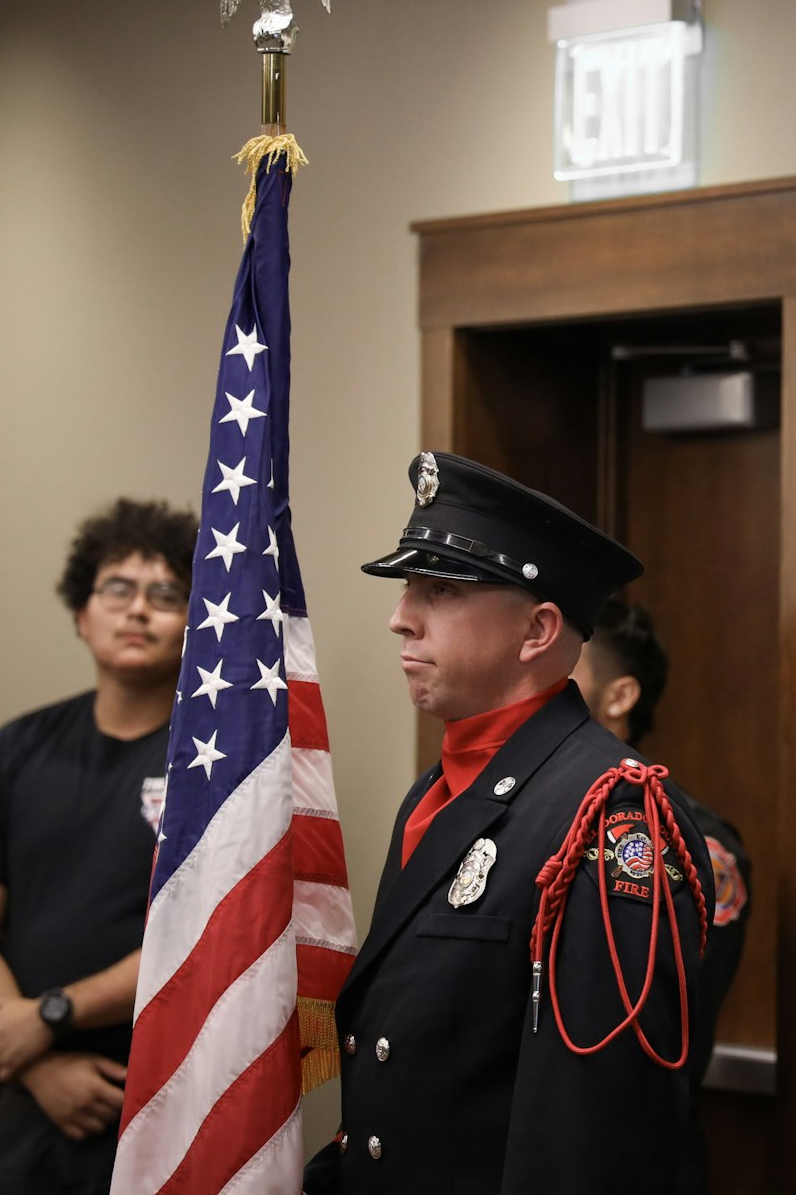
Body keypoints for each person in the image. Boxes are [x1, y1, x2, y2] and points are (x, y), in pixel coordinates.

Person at [304, 451, 713, 1195]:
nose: (400, 617)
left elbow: (594, 1129)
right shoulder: (439, 791)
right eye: (407, 590)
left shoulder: (608, 810)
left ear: (537, 630)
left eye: (439, 590)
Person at [0, 499, 197, 1195]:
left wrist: (52, 1013)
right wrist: (37, 1062)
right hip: (20, 1111)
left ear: (198, 618)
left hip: (160, 1101)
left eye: (165, 594)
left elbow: (203, 934)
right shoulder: (13, 749)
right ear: (82, 612)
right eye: (117, 589)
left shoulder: (221, 769)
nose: (139, 609)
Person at [574, 599, 752, 1195]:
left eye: (565, 673)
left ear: (619, 696)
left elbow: (657, 1028)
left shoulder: (693, 841)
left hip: (635, 1162)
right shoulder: (534, 818)